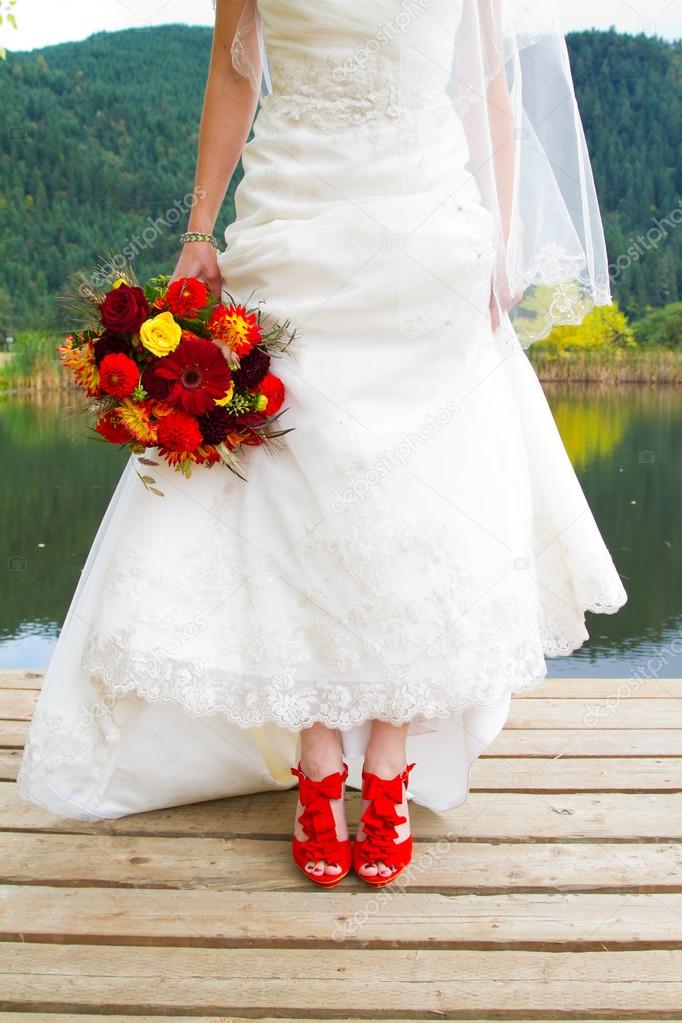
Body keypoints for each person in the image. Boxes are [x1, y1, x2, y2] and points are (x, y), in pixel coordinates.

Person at [18, 0, 628, 888]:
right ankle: (316, 750)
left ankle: (389, 751)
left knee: (421, 487)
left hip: (427, 223)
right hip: (291, 220)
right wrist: (197, 231)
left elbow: (488, 80)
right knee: (288, 483)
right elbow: (232, 70)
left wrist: (505, 233)